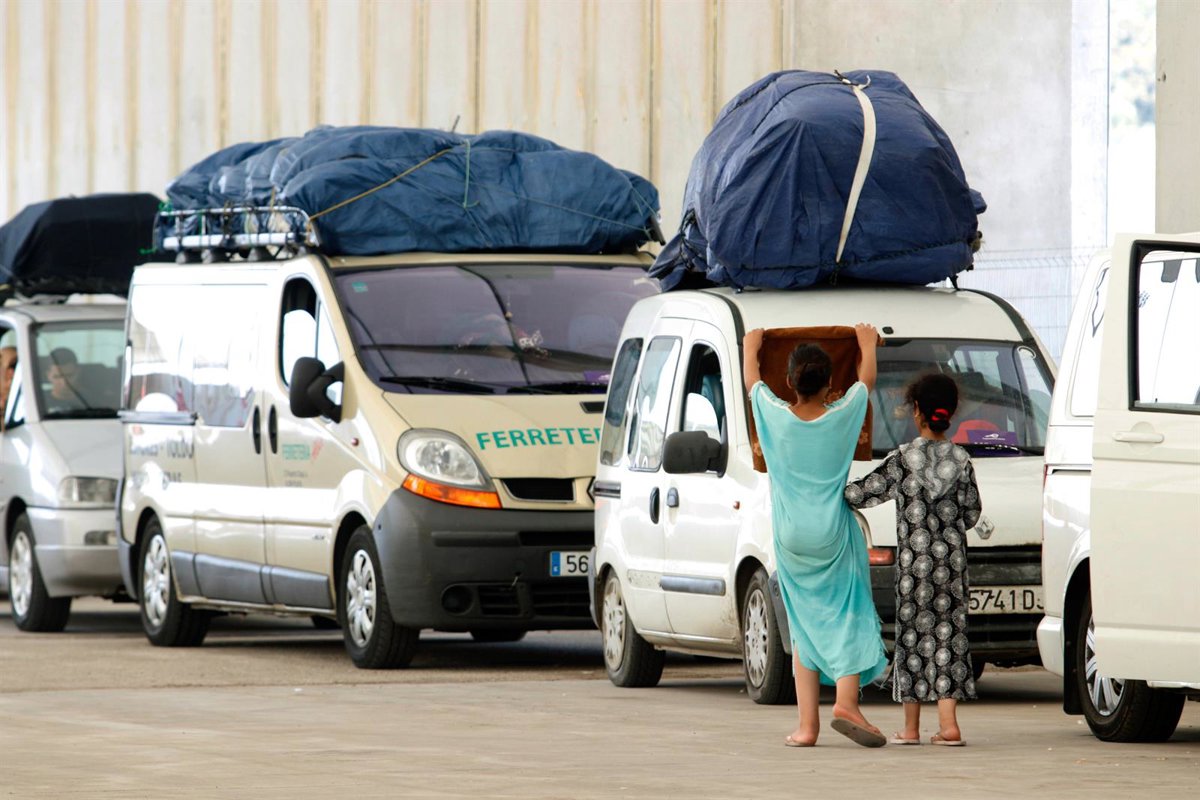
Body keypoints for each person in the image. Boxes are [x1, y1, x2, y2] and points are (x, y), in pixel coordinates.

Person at [745, 324, 889, 749]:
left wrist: (752, 345)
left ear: (789, 382)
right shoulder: (842, 415)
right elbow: (866, 381)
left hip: (790, 538)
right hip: (833, 533)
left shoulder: (773, 415)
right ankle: (846, 703)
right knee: (848, 614)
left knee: (803, 623)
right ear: (830, 385)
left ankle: (807, 727)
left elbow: (753, 382)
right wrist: (865, 343)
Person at [844, 373, 984, 746]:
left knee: (913, 638)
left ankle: (910, 729)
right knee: (949, 637)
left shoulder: (903, 460)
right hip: (952, 569)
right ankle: (949, 725)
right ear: (951, 411)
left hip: (913, 571)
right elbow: (972, 514)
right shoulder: (962, 460)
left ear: (916, 411)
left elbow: (860, 494)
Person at [45, 347, 86, 413]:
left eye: (69, 376)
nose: (64, 383)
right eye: (57, 377)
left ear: (78, 372)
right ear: (48, 376)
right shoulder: (35, 401)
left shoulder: (93, 402)